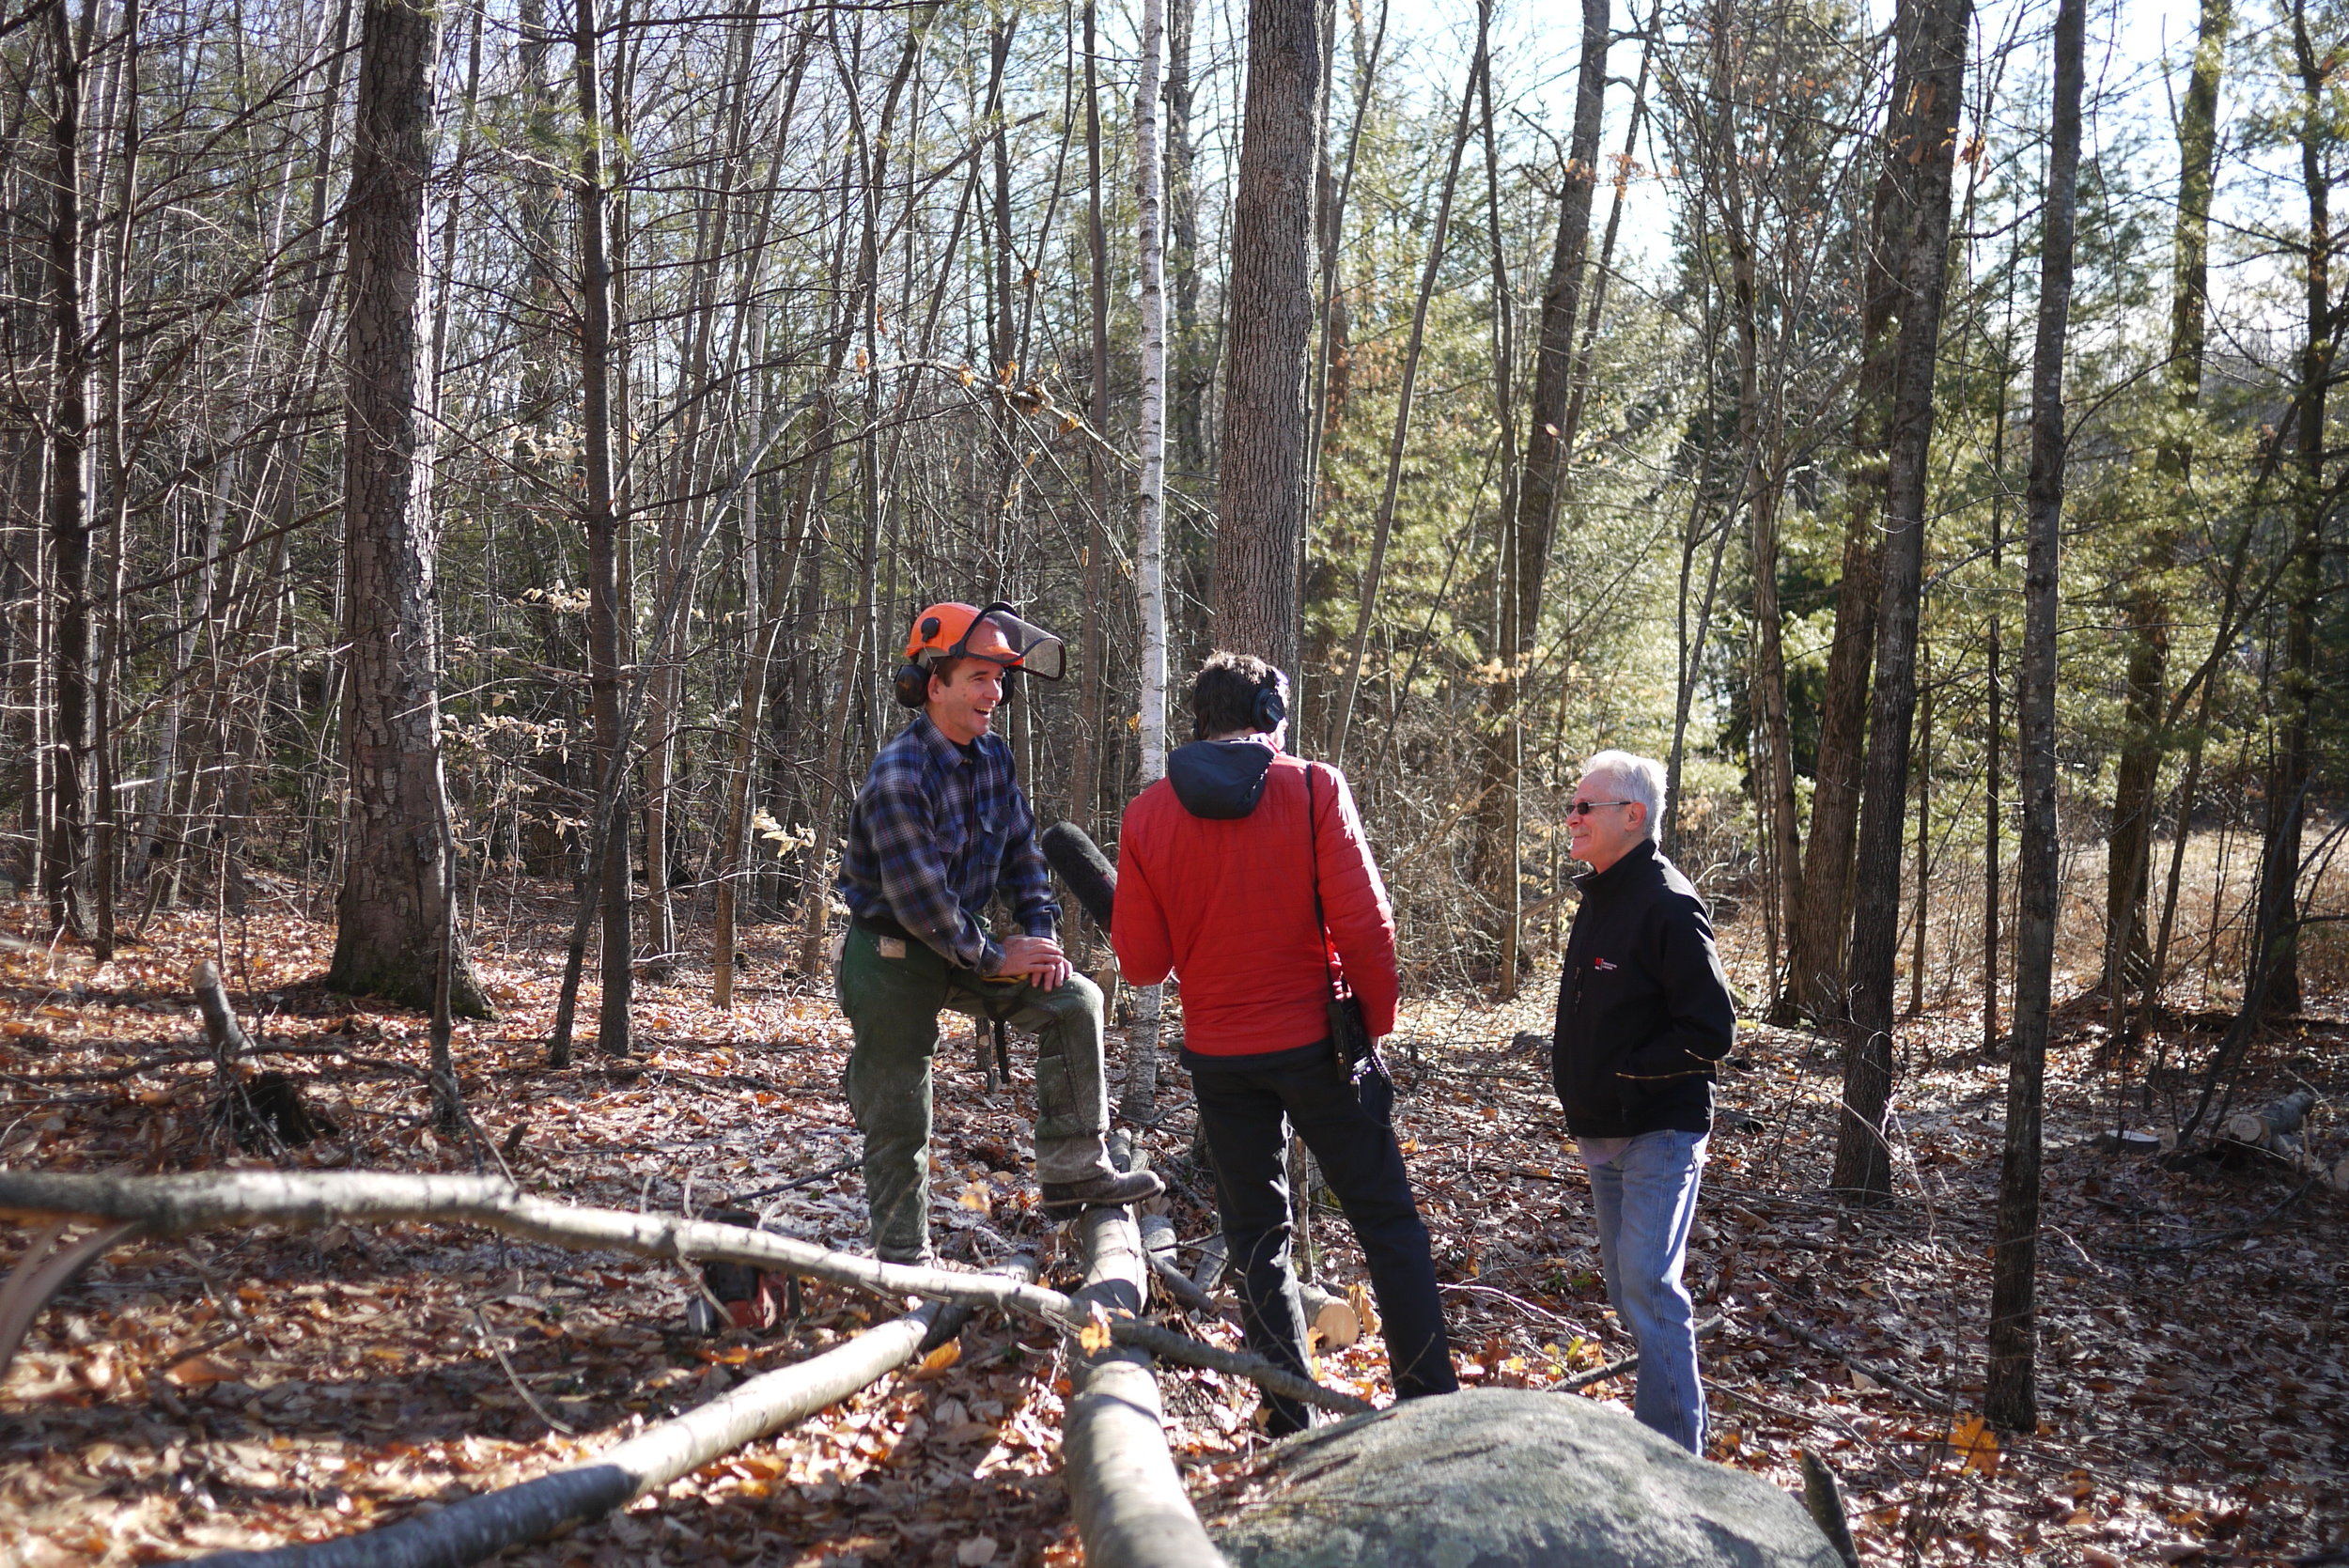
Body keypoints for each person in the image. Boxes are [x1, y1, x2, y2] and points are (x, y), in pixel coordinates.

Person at [1112, 652, 1457, 1433]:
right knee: (1387, 1221)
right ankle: (1432, 1407)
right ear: (1269, 714)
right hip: (1317, 1045)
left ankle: (1285, 1413)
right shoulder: (1310, 788)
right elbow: (1368, 926)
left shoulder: (1147, 814)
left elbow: (1142, 963)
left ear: (1201, 721)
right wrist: (1374, 1026)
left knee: (1257, 1235)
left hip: (1220, 1057)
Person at [837, 601, 1162, 1265]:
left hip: (962, 938)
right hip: (894, 951)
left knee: (1076, 1002)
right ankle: (903, 1257)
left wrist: (1039, 936)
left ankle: (1075, 1166)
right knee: (901, 1102)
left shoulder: (993, 759)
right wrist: (991, 954)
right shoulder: (899, 774)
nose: (996, 692)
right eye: (980, 677)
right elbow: (919, 897)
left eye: (1000, 678)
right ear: (937, 685)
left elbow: (1022, 858)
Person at [1549, 749, 1735, 1453]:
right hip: (1604, 1133)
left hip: (1660, 1131)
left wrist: (1627, 1074)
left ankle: (1678, 1462)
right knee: (1631, 1291)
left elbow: (1712, 1030)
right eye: (1570, 805)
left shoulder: (1665, 902)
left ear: (1633, 815)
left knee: (1650, 1287)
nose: (1571, 817)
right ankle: (1659, 1440)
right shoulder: (1599, 895)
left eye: (1583, 807)